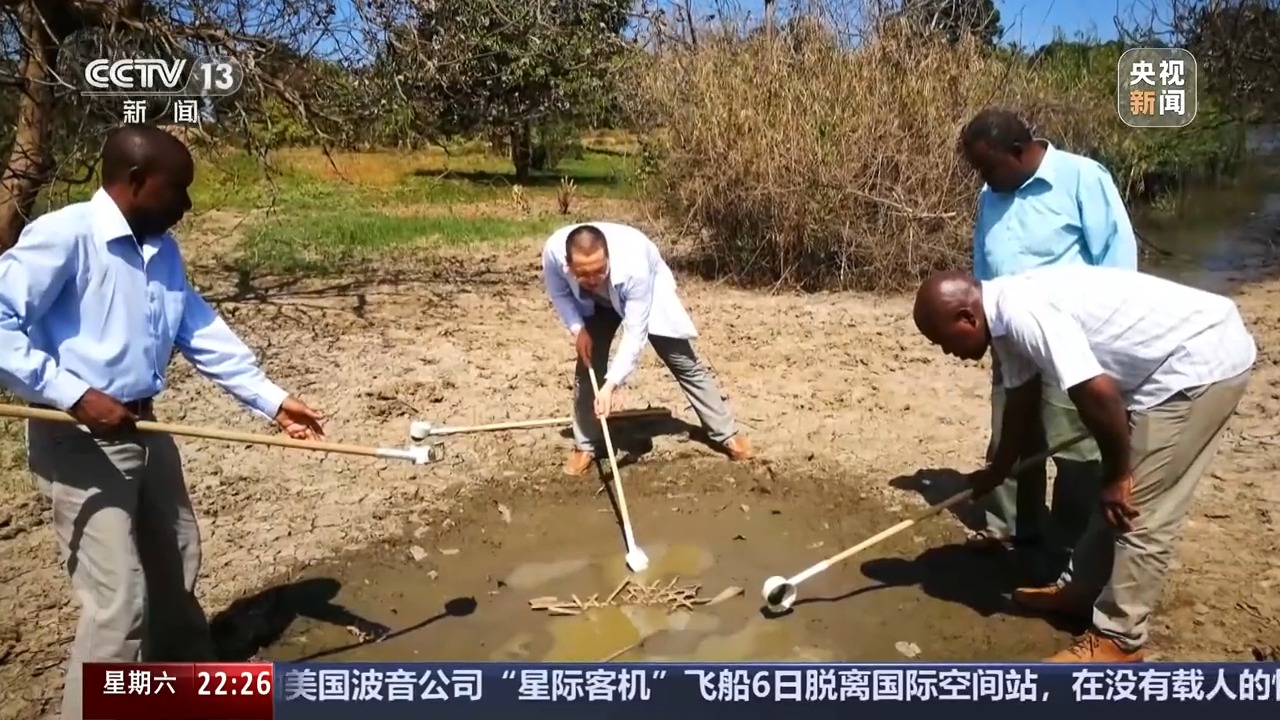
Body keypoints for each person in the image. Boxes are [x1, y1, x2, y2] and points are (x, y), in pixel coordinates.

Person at [0, 125, 326, 720]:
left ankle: (180, 688)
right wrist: (75, 394)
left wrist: (273, 401)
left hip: (143, 429)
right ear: (136, 182)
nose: (188, 204)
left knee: (176, 560)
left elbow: (197, 329)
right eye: (178, 189)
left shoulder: (161, 251)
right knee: (118, 601)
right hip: (76, 438)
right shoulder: (65, 236)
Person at [912, 265, 1255, 662]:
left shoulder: (1022, 314)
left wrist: (1116, 474)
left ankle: (1120, 639)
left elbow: (1097, 393)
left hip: (1198, 361)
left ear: (967, 318)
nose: (946, 352)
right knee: (1117, 498)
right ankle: (1081, 591)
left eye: (942, 340)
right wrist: (998, 471)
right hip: (1160, 367)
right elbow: (1022, 401)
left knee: (1137, 507)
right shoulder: (1001, 321)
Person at [959, 108, 1139, 567]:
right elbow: (984, 260)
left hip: (1072, 340)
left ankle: (1070, 546)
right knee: (1011, 433)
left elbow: (1117, 257)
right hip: (1009, 332)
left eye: (987, 167)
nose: (983, 179)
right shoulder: (991, 193)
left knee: (1074, 444)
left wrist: (1110, 340)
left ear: (1018, 152)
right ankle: (1007, 525)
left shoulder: (1082, 178)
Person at [541, 222, 754, 475]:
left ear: (608, 257)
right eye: (583, 274)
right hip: (595, 305)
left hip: (643, 294)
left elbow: (635, 335)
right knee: (587, 365)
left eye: (599, 271)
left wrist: (610, 386)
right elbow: (560, 294)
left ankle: (725, 433)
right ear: (568, 264)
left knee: (682, 361)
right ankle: (586, 444)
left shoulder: (634, 266)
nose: (592, 280)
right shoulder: (553, 251)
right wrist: (578, 329)